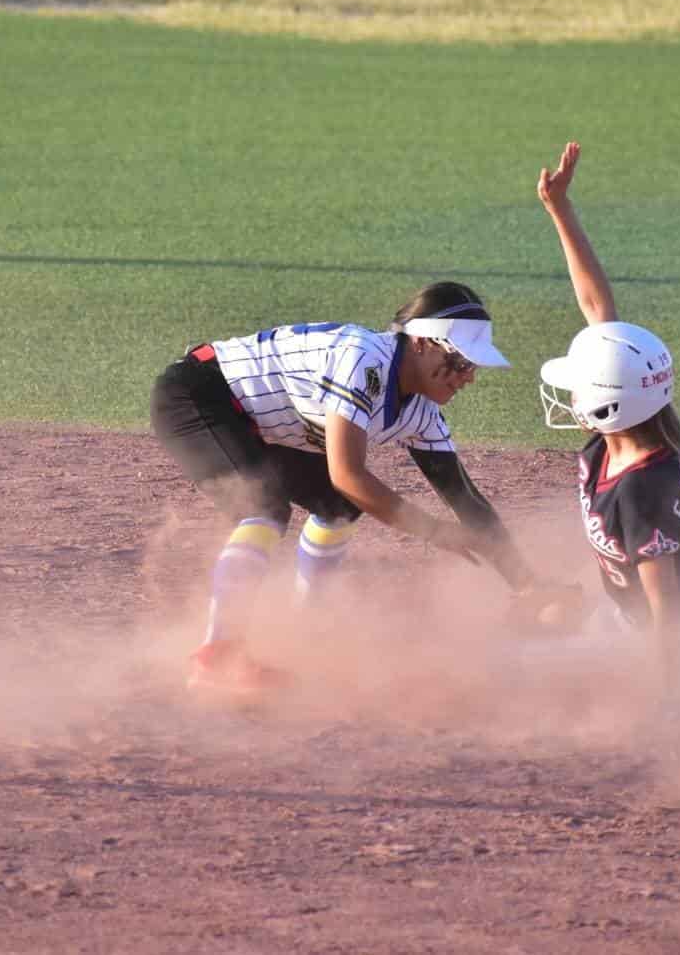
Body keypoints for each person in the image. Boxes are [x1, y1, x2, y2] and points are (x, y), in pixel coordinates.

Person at [150, 281, 544, 696]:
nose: (469, 378)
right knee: (265, 508)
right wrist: (432, 530)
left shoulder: (422, 412)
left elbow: (464, 497)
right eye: (462, 363)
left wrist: (527, 583)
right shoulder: (365, 359)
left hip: (254, 423)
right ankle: (219, 656)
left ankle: (307, 630)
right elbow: (349, 474)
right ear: (425, 343)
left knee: (338, 507)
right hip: (197, 394)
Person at [534, 140, 680, 698]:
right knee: (534, 626)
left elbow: (666, 616)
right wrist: (559, 209)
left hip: (655, 640)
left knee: (517, 671)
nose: (568, 394)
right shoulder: (626, 434)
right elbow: (597, 309)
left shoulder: (640, 489)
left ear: (609, 403)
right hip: (638, 617)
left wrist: (668, 702)